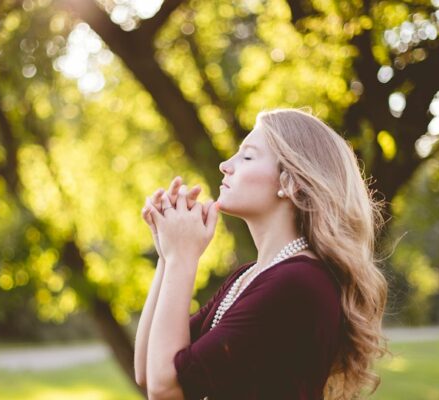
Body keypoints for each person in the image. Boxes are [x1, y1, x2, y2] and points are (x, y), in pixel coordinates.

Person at [135, 108, 389, 400]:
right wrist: (167, 255)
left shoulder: (297, 283)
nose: (225, 165)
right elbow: (147, 370)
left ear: (289, 182)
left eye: (247, 156)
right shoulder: (250, 276)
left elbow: (165, 389)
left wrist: (182, 257)